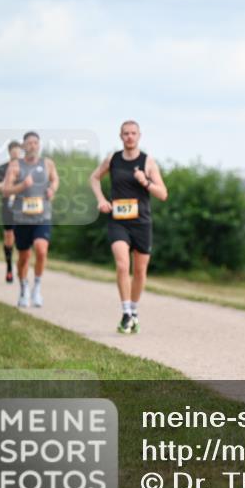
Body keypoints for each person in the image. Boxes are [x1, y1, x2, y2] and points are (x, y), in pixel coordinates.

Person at [89, 120, 167, 334]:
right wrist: (101, 200)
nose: (129, 137)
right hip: (118, 221)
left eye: (133, 133)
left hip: (141, 222)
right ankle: (125, 312)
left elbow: (163, 194)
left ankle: (133, 311)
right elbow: (94, 178)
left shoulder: (148, 162)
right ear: (120, 136)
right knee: (123, 265)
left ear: (139, 135)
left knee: (140, 271)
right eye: (126, 133)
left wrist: (146, 182)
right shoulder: (113, 159)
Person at [2, 132, 59, 307]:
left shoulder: (47, 163)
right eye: (29, 143)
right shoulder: (15, 166)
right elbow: (6, 190)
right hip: (21, 219)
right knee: (24, 257)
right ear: (24, 146)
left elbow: (55, 179)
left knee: (41, 250)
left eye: (35, 143)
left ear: (39, 145)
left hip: (42, 217)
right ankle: (24, 287)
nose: (33, 146)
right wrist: (21, 186)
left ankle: (37, 288)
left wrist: (52, 190)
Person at [0, 141, 23, 282]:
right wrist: (6, 184)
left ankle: (21, 267)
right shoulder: (2, 169)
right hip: (7, 207)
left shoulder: (27, 167)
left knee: (22, 237)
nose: (16, 153)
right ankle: (9, 267)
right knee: (9, 237)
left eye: (18, 150)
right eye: (13, 150)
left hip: (24, 207)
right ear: (9, 152)